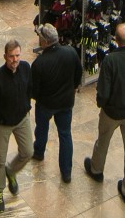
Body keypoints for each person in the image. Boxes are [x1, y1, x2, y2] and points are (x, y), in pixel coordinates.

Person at [83, 23, 125, 203]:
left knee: (102, 141)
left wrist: (101, 103)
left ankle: (96, 170)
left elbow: (103, 92)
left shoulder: (110, 60)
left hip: (111, 112)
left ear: (115, 39)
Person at [0, 39, 33, 213]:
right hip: (2, 124)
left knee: (28, 152)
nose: (15, 60)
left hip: (22, 119)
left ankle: (11, 171)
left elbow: (30, 88)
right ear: (5, 56)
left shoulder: (26, 68)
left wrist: (27, 106)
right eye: (11, 56)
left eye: (17, 55)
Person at [30, 23, 81, 182]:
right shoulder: (71, 52)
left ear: (45, 42)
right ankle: (66, 172)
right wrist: (72, 89)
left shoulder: (39, 63)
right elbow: (78, 75)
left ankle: (39, 152)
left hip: (45, 105)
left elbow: (33, 90)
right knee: (65, 134)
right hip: (66, 103)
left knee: (42, 128)